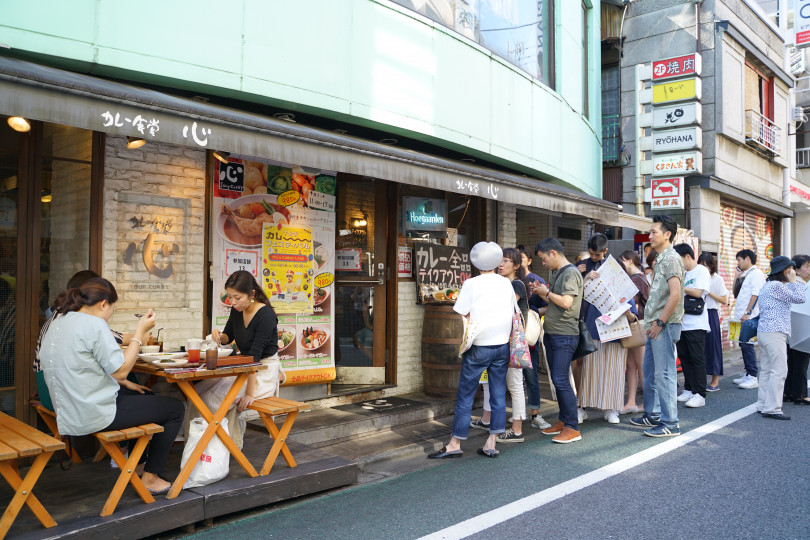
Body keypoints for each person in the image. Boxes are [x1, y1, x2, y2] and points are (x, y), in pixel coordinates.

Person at [40, 278, 183, 494]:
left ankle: (139, 466)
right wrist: (139, 332)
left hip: (69, 409)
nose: (110, 316)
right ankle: (150, 478)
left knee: (146, 395)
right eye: (112, 310)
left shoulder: (58, 322)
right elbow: (121, 370)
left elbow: (82, 367)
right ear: (103, 304)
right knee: (175, 409)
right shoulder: (94, 324)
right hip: (93, 413)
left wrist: (124, 383)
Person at [428, 242, 512, 459]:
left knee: (466, 395)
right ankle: (491, 443)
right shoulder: (506, 283)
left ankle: (455, 443)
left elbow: (462, 312)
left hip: (479, 347)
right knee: (498, 394)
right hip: (502, 345)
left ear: (476, 262)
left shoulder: (472, 284)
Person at [33, 270, 148, 412]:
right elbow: (116, 341)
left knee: (129, 386)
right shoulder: (78, 319)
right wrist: (140, 334)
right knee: (146, 397)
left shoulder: (61, 315)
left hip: (53, 387)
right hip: (62, 394)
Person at [202, 271, 285, 449]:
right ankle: (206, 440)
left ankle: (225, 442)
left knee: (218, 397)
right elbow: (228, 337)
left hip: (262, 373)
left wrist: (250, 393)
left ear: (252, 294)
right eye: (229, 297)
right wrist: (219, 335)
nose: (232, 302)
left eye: (237, 298)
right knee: (202, 388)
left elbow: (255, 358)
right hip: (245, 368)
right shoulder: (237, 310)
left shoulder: (266, 316)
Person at [630, 215, 684, 437]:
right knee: (650, 372)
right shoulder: (662, 258)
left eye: (654, 232)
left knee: (664, 374)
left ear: (667, 235)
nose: (649, 236)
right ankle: (653, 414)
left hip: (664, 324)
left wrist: (660, 322)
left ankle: (671, 423)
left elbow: (675, 295)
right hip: (655, 324)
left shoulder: (671, 259)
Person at [531, 238, 583, 444]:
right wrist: (542, 293)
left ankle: (573, 427)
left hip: (565, 334)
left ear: (553, 253)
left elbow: (567, 303)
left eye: (543, 259)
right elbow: (555, 303)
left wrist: (546, 292)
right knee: (557, 379)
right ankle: (564, 420)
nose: (543, 263)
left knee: (561, 380)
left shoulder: (571, 273)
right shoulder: (557, 272)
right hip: (554, 332)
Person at [579, 257, 639, 424]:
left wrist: (628, 314)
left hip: (616, 336)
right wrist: (585, 280)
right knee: (590, 373)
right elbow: (577, 298)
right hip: (595, 332)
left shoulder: (625, 291)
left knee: (614, 374)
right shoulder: (594, 286)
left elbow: (634, 318)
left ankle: (611, 409)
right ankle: (583, 407)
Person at [754, 256, 806, 420]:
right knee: (779, 370)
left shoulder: (768, 285)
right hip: (775, 333)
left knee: (768, 370)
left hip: (765, 333)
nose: (792, 272)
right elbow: (800, 298)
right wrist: (794, 281)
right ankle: (773, 408)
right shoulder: (777, 286)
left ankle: (763, 405)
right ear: (783, 271)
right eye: (790, 270)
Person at [572, 234, 609, 423]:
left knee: (604, 364)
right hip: (584, 319)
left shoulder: (612, 265)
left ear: (605, 251)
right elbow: (572, 292)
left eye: (597, 255)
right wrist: (583, 276)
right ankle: (580, 404)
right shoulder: (581, 265)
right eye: (592, 254)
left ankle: (607, 406)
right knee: (581, 363)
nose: (594, 258)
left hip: (607, 321)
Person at [673, 244, 711, 408]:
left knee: (697, 358)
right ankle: (689, 389)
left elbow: (698, 292)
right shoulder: (684, 272)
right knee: (685, 358)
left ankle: (700, 393)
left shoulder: (701, 271)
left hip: (696, 323)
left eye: (679, 260)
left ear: (688, 256)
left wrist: (681, 286)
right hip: (682, 322)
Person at [519, 247, 552, 429]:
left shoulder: (536, 281)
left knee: (531, 376)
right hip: (510, 335)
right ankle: (518, 414)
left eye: (521, 257)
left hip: (529, 335)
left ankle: (535, 415)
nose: (518, 260)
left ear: (529, 260)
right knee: (514, 377)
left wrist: (532, 313)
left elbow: (550, 305)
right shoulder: (508, 281)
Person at [619, 250, 649, 414]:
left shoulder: (636, 280)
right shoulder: (641, 278)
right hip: (636, 325)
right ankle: (631, 402)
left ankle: (647, 401)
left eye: (622, 261)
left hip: (637, 325)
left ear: (630, 261)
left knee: (639, 364)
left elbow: (634, 305)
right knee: (632, 365)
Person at [731, 249, 766, 390]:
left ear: (747, 259)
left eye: (739, 260)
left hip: (749, 316)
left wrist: (748, 312)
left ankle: (752, 376)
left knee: (747, 345)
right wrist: (736, 277)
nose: (738, 263)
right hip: (742, 315)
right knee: (743, 344)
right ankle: (748, 373)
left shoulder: (756, 274)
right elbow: (735, 294)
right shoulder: (747, 274)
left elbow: (756, 294)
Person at [698, 252, 728, 392]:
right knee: (700, 348)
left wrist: (708, 292)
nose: (703, 268)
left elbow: (724, 300)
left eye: (705, 265)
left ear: (711, 266)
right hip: (697, 313)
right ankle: (700, 379)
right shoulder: (696, 277)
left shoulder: (718, 279)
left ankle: (715, 381)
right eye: (701, 265)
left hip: (711, 313)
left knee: (713, 346)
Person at [785, 254, 810, 405]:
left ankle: (789, 392)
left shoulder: (789, 284)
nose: (809, 269)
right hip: (801, 328)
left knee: (791, 362)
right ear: (797, 270)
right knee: (801, 362)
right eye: (807, 266)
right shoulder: (801, 286)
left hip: (789, 330)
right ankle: (800, 394)